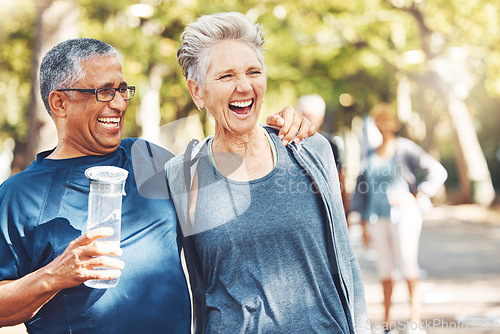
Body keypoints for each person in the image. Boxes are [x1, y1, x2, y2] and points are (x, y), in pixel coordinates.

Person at [0, 38, 315, 333]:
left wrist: (277, 130)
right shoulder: (20, 196)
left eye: (123, 90)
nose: (120, 104)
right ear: (59, 103)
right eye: (105, 91)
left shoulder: (147, 157)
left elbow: (235, 187)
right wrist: (53, 276)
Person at [167, 12, 370, 334]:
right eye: (226, 76)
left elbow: (347, 265)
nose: (244, 86)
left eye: (253, 72)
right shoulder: (180, 175)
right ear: (197, 92)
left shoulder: (310, 149)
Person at [351, 103, 447, 332]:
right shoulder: (370, 155)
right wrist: (363, 224)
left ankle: (415, 321)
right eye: (378, 121)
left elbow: (437, 171)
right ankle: (387, 323)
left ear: (394, 124)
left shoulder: (405, 148)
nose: (382, 125)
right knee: (384, 268)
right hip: (376, 218)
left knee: (407, 262)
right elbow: (362, 191)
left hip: (405, 215)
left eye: (386, 120)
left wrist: (417, 196)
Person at [296, 94, 350, 225]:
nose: (309, 121)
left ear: (321, 119)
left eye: (313, 117)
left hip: (324, 212)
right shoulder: (288, 143)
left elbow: (339, 179)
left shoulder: (330, 145)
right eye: (306, 115)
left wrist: (344, 214)